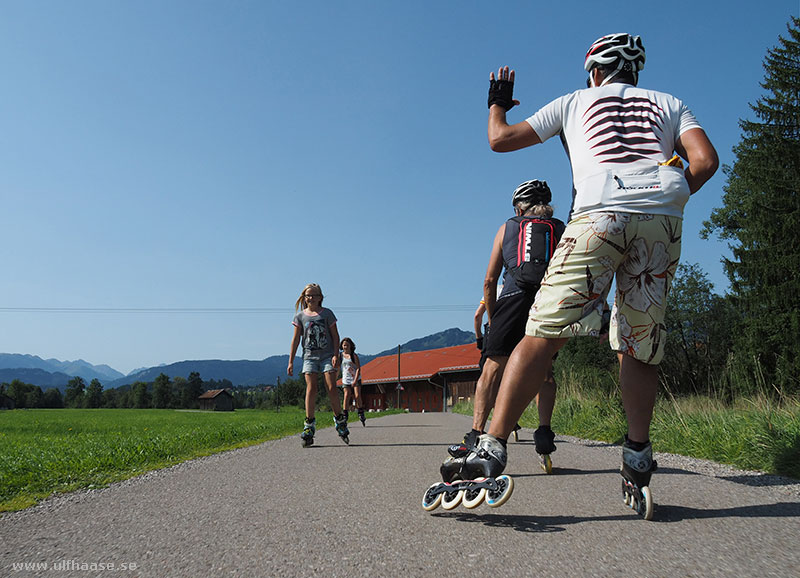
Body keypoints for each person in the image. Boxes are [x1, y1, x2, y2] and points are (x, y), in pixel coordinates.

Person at [465, 33, 719, 516]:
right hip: (660, 219)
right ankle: (638, 459)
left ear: (595, 71)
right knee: (638, 342)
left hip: (598, 213)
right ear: (634, 73)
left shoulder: (575, 100)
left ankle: (492, 446)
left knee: (541, 334)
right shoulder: (671, 103)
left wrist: (496, 105)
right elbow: (705, 161)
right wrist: (669, 196)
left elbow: (500, 140)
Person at [452, 180, 564, 469]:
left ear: (519, 207)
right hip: (548, 301)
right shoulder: (562, 229)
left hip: (513, 299)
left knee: (492, 366)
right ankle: (544, 433)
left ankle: (476, 435)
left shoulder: (508, 227)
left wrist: (493, 318)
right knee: (543, 369)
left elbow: (490, 280)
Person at [288, 283, 350, 447]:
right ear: (304, 297)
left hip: (327, 356)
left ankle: (340, 420)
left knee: (331, 387)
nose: (311, 298)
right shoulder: (300, 316)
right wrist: (291, 361)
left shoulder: (327, 314)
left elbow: (336, 336)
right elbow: (295, 340)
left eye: (314, 295)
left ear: (320, 297)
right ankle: (309, 425)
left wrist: (337, 355)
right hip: (309, 357)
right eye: (308, 295)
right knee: (311, 388)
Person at [340, 337, 366, 426]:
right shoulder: (341, 356)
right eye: (344, 345)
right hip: (345, 379)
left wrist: (355, 380)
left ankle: (360, 411)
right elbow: (337, 368)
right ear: (342, 346)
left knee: (357, 395)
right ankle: (345, 415)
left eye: (347, 345)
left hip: (355, 378)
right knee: (346, 395)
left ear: (351, 346)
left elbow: (358, 368)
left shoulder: (353, 356)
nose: (345, 347)